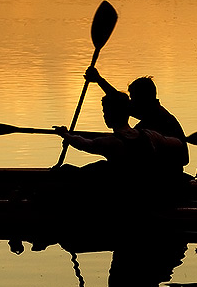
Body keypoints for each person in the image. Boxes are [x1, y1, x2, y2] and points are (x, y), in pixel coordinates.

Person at [53, 92, 186, 202]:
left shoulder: (111, 143)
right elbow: (179, 143)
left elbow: (84, 144)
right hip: (148, 193)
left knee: (70, 171)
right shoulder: (150, 135)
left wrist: (65, 135)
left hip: (127, 198)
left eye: (105, 112)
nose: (104, 115)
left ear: (110, 115)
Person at [84, 67, 188, 167]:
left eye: (133, 98)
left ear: (143, 98)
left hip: (166, 171)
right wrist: (98, 80)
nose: (131, 102)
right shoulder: (149, 112)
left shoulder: (158, 117)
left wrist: (99, 79)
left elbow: (121, 103)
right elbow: (120, 102)